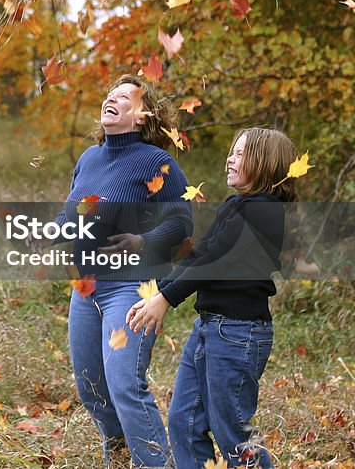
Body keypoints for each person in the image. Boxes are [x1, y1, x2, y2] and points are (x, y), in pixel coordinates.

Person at [127, 127, 296, 468]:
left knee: (232, 430)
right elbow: (199, 256)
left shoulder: (263, 210)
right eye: (231, 152)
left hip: (238, 334)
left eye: (240, 153)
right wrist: (160, 293)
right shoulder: (238, 205)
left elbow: (214, 259)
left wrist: (167, 299)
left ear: (264, 164)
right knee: (184, 423)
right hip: (208, 327)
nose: (230, 159)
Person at [54, 74, 192, 467]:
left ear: (142, 115)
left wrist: (142, 240)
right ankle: (118, 456)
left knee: (123, 384)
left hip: (131, 287)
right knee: (92, 388)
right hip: (87, 289)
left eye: (124, 97)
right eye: (109, 94)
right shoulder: (90, 159)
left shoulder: (156, 162)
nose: (111, 99)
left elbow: (182, 221)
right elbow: (72, 215)